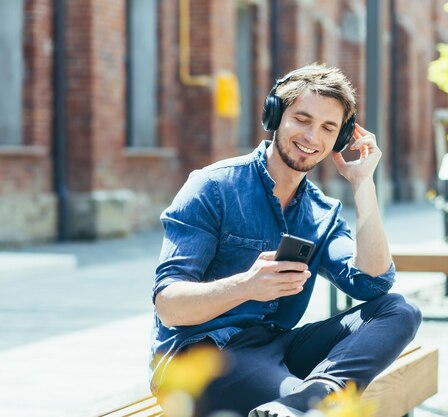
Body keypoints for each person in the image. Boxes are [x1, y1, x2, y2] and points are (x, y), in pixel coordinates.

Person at [150, 64, 421, 417]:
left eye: (328, 128)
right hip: (200, 356)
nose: (312, 137)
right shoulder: (213, 187)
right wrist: (246, 286)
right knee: (313, 409)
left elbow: (372, 283)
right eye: (302, 119)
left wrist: (363, 184)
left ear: (340, 140)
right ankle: (308, 402)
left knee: (399, 310)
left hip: (275, 347)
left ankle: (321, 393)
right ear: (275, 115)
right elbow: (169, 306)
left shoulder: (321, 211)